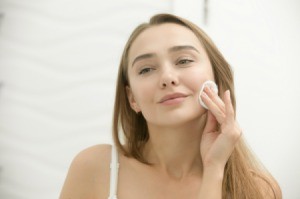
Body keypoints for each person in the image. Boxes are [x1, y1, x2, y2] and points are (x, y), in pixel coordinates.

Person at [59, 13, 281, 199]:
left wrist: (214, 171)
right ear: (132, 98)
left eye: (184, 61)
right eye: (146, 69)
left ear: (217, 79)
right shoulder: (95, 168)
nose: (167, 77)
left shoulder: (259, 190)